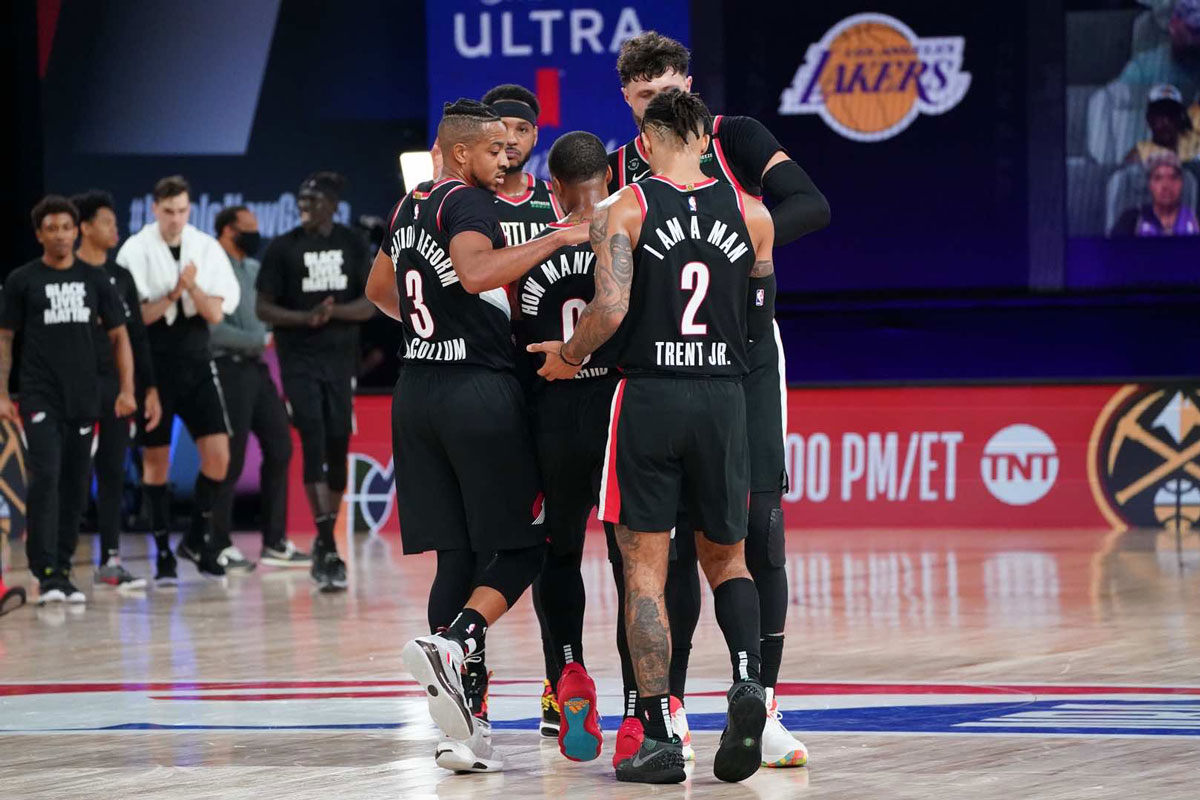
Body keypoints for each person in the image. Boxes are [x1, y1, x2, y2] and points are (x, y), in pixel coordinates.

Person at [529, 89, 775, 784]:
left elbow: (608, 311)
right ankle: (748, 681)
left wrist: (568, 357)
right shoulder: (754, 215)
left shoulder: (625, 209)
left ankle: (660, 731)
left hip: (650, 397)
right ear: (701, 138)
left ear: (647, 140)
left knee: (645, 569)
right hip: (724, 395)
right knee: (728, 560)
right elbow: (760, 323)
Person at [605, 30, 828, 768]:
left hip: (746, 359)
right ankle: (664, 711)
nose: (657, 109)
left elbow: (812, 203)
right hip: (666, 368)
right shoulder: (621, 173)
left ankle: (762, 707)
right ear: (630, 105)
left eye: (668, 92)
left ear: (690, 89)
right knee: (661, 552)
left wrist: (732, 244)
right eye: (643, 100)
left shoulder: (732, 137)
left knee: (756, 532)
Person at [366, 99, 587, 774]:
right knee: (528, 546)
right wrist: (558, 238)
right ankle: (462, 641)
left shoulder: (411, 204)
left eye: (515, 143)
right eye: (495, 148)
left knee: (455, 557)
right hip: (479, 392)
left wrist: (433, 324)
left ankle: (462, 724)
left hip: (416, 390)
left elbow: (380, 288)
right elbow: (475, 272)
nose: (507, 156)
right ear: (463, 152)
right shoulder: (470, 202)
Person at [514, 131, 617, 761]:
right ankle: (649, 708)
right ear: (608, 177)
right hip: (619, 414)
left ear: (552, 189)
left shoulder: (531, 248)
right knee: (640, 563)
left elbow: (511, 340)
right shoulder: (629, 230)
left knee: (559, 558)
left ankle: (567, 677)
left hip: (552, 422)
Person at [481, 80, 571, 737]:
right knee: (484, 542)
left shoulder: (551, 204)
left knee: (549, 544)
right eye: (500, 129)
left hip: (543, 381)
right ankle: (472, 689)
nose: (510, 139)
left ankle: (552, 683)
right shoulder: (461, 202)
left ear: (535, 138)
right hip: (483, 378)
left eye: (520, 129)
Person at [0, 196, 136, 605]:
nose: (60, 234)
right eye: (51, 228)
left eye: (66, 227)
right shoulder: (23, 280)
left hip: (85, 396)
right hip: (40, 394)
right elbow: (5, 339)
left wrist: (127, 389)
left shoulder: (96, 280)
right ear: (39, 233)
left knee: (76, 483)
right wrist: (2, 393)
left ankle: (62, 569)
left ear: (76, 232)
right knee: (46, 476)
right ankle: (43, 572)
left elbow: (120, 337)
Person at [117, 175, 240, 584]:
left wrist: (193, 289)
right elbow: (135, 320)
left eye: (182, 210)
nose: (175, 218)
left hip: (196, 357)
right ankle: (163, 552)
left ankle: (196, 536)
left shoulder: (204, 246)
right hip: (153, 361)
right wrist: (173, 293)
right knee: (155, 461)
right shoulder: (135, 250)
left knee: (220, 455)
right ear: (155, 209)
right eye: (168, 211)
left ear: (190, 209)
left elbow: (217, 314)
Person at [255, 172, 373, 591]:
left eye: (313, 200)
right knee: (314, 440)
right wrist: (304, 319)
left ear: (332, 205)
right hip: (298, 362)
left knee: (339, 442)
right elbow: (264, 308)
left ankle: (327, 541)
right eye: (301, 200)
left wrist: (333, 313)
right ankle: (326, 544)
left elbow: (372, 302)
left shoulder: (353, 243)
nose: (305, 206)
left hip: (340, 363)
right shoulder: (283, 247)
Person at [71, 190, 162, 590]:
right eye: (106, 221)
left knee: (112, 472)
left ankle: (110, 559)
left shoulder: (121, 278)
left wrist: (150, 388)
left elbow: (137, 338)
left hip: (117, 389)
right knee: (67, 475)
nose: (115, 228)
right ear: (84, 227)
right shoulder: (65, 273)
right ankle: (54, 564)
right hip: (71, 390)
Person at [210, 205, 308, 572]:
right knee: (229, 456)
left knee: (280, 447)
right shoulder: (209, 267)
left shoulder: (254, 269)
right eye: (246, 229)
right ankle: (218, 542)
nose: (254, 235)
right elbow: (213, 330)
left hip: (256, 370)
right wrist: (256, 339)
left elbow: (268, 315)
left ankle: (275, 541)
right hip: (224, 366)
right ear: (226, 230)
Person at [1118, 0, 1200, 103]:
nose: (1195, 39)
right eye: (1192, 31)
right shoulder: (1145, 68)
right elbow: (1118, 97)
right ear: (1173, 25)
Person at [1112, 150, 1200, 235]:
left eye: (1173, 177)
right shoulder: (1131, 221)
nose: (1166, 185)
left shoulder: (1195, 219)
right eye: (1158, 178)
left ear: (1181, 183)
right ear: (1150, 184)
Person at [1124, 84, 1200, 164]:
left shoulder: (1195, 143)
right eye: (1160, 114)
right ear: (1149, 119)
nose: (1166, 120)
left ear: (1180, 118)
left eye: (1171, 114)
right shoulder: (1139, 155)